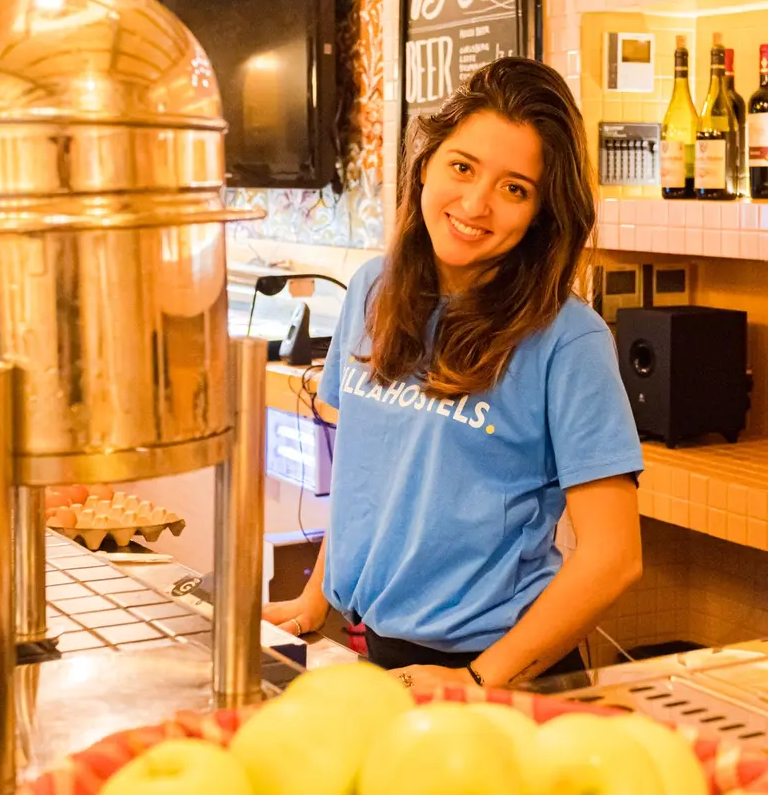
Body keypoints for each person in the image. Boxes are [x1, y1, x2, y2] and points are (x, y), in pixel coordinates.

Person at [263, 57, 644, 689]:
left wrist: (476, 679)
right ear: (426, 165)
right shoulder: (371, 290)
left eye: (514, 188)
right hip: (383, 656)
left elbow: (613, 557)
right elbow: (369, 478)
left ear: (542, 214)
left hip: (499, 671)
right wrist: (315, 600)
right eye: (462, 167)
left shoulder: (568, 338)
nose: (476, 204)